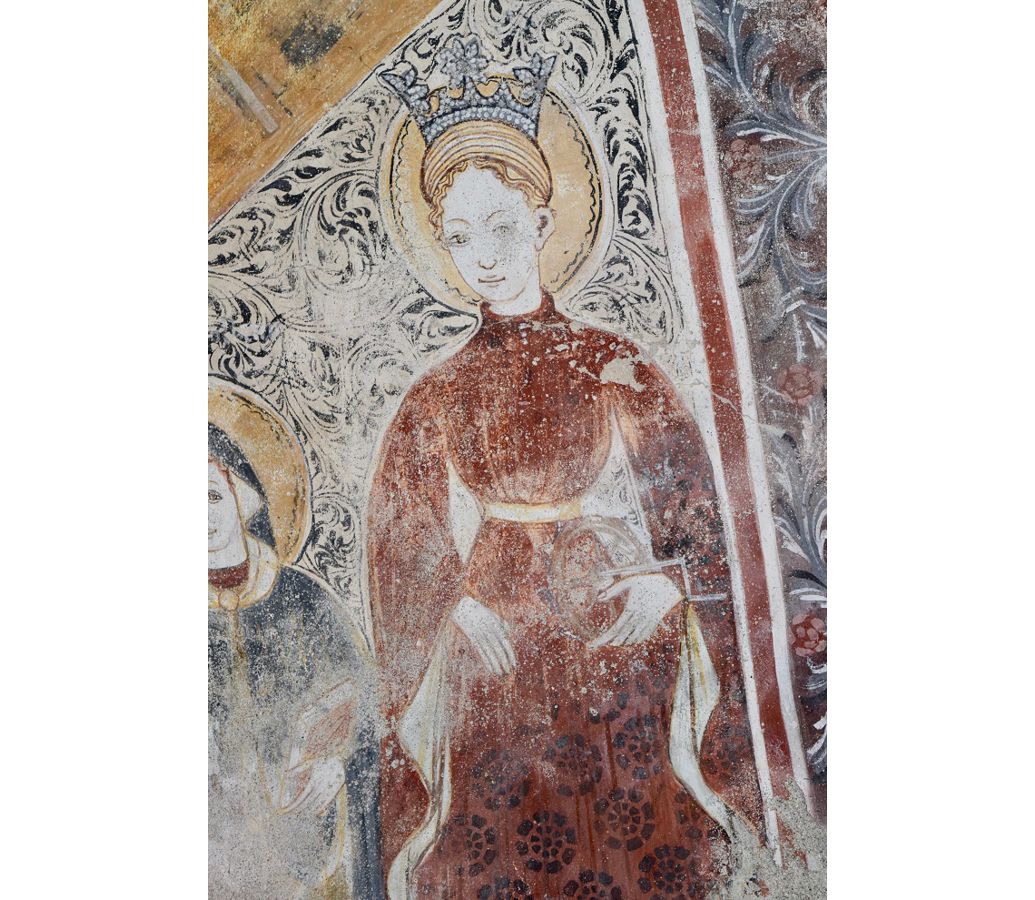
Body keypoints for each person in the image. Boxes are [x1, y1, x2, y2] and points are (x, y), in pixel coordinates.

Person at [373, 38, 762, 899]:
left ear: (543, 225)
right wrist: (453, 607)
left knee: (632, 820)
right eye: (459, 237)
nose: (482, 255)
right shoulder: (436, 391)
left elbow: (692, 504)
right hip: (494, 634)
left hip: (605, 612)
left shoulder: (612, 362)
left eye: (501, 227)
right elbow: (404, 539)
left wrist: (669, 583)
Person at [208, 384, 384, 899]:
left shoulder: (305, 601)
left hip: (310, 844)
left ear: (242, 498)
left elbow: (370, 709)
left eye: (211, 496)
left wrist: (338, 766)